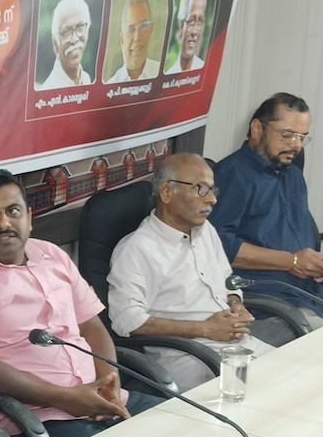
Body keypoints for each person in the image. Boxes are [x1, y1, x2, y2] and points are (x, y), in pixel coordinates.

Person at [0, 169, 162, 437]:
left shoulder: (52, 255)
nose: (4, 223)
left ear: (28, 218)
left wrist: (110, 384)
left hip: (103, 402)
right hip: (36, 420)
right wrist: (67, 398)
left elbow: (91, 326)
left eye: (13, 211)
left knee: (191, 430)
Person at [107, 154, 289, 392]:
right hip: (190, 356)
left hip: (236, 344)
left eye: (213, 190)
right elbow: (126, 320)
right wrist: (205, 328)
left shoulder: (206, 230)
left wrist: (235, 304)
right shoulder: (136, 249)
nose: (212, 199)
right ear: (166, 192)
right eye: (201, 189)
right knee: (272, 394)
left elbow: (227, 282)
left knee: (300, 375)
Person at [209, 93, 323, 329]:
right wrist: (292, 261)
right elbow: (218, 247)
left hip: (314, 293)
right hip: (271, 302)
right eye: (287, 135)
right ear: (257, 128)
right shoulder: (232, 175)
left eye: (302, 137)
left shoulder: (293, 175)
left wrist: (322, 268)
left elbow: (294, 239)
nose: (297, 145)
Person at [39, 0, 94, 90]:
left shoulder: (86, 79)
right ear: (55, 43)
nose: (74, 39)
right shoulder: (48, 91)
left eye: (80, 27)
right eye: (66, 32)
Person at [105, 0, 161, 83]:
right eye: (131, 30)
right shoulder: (110, 87)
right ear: (121, 40)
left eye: (143, 26)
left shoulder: (164, 74)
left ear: (151, 29)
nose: (137, 37)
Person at [166, 0, 207, 74]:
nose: (194, 32)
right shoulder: (170, 74)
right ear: (181, 27)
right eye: (191, 21)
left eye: (200, 22)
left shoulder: (205, 71)